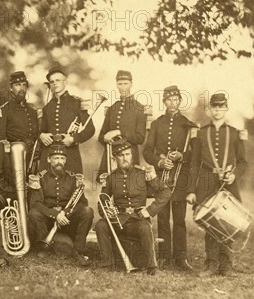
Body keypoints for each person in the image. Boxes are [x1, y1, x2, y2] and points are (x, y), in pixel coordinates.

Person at [186, 93, 248, 277]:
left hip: (228, 183)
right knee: (210, 222)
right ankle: (211, 264)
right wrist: (190, 190)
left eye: (222, 107)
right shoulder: (201, 133)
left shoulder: (235, 133)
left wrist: (234, 175)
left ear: (226, 109)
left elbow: (243, 162)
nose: (218, 111)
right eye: (215, 107)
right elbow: (194, 163)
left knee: (227, 221)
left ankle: (226, 266)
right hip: (206, 180)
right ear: (209, 110)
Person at [95, 139, 171, 275]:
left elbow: (166, 192)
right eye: (121, 155)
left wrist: (150, 210)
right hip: (119, 220)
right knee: (101, 225)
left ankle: (152, 267)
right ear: (115, 158)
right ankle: (107, 264)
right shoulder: (111, 178)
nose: (125, 158)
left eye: (127, 154)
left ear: (132, 155)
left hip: (138, 219)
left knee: (145, 227)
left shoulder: (143, 174)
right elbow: (102, 201)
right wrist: (108, 212)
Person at [143, 85, 197, 271]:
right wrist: (160, 162)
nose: (172, 103)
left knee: (180, 219)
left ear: (180, 101)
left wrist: (182, 156)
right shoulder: (157, 124)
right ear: (164, 101)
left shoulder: (189, 124)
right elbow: (147, 151)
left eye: (176, 99)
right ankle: (164, 256)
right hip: (162, 178)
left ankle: (181, 258)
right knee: (163, 217)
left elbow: (195, 153)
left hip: (181, 178)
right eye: (169, 100)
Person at [28, 144, 94, 266]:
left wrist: (65, 212)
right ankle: (44, 246)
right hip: (48, 221)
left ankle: (79, 249)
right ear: (49, 159)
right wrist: (55, 214)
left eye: (62, 158)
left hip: (67, 220)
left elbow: (82, 203)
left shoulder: (73, 178)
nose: (59, 161)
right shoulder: (40, 178)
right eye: (56, 158)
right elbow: (36, 204)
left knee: (88, 211)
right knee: (34, 213)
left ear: (65, 160)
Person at [38, 66, 96, 174]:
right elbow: (42, 130)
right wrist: (41, 135)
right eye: (52, 82)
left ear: (65, 82)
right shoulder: (47, 107)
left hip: (70, 153)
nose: (55, 83)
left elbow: (90, 129)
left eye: (58, 80)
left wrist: (74, 139)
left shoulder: (77, 103)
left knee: (73, 186)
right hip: (49, 154)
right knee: (46, 186)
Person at [97, 70, 148, 180]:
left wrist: (120, 132)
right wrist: (106, 138)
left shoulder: (139, 108)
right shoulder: (112, 108)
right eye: (120, 84)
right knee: (108, 192)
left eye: (126, 83)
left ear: (131, 84)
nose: (123, 87)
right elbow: (101, 137)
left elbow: (140, 138)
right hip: (111, 159)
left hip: (130, 159)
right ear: (116, 85)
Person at [0, 71, 39, 159]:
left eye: (24, 85)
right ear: (11, 88)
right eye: (17, 85)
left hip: (32, 156)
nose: (22, 88)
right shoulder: (3, 110)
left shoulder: (32, 111)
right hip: (13, 156)